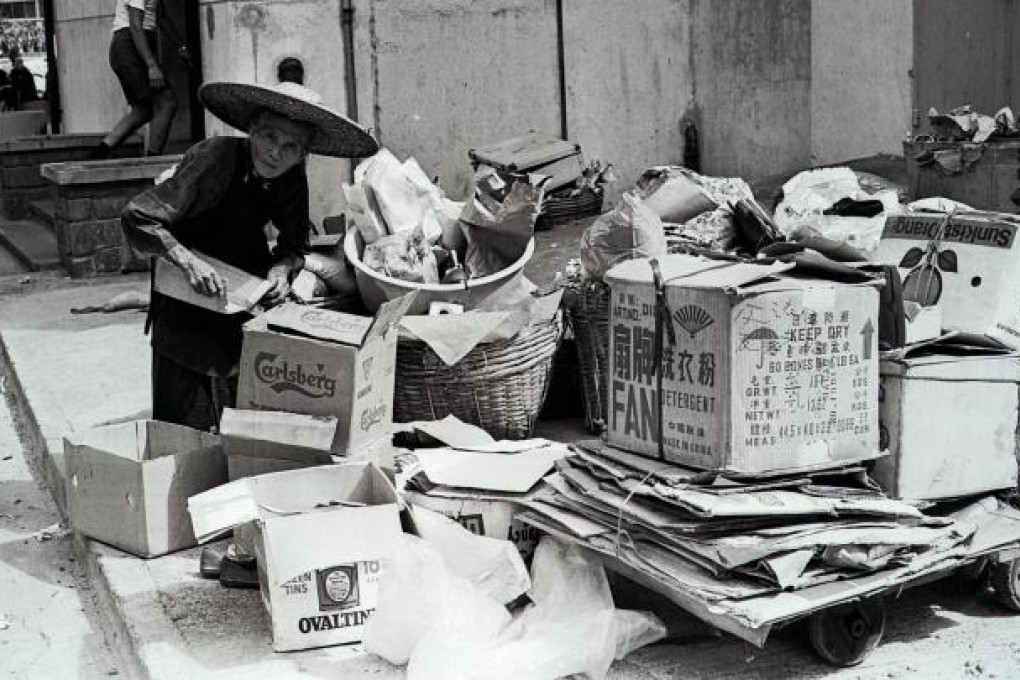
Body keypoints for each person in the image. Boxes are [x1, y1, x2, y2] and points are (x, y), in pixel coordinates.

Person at [120, 80, 378, 431]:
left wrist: (282, 269)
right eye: (270, 137)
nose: (276, 153)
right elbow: (138, 216)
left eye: (291, 147)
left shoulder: (292, 177)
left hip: (241, 287)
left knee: (241, 401)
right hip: (186, 279)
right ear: (253, 130)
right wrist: (187, 259)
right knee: (183, 414)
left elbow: (295, 242)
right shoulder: (214, 157)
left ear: (303, 154)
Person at [93, 0, 177, 158]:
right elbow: (135, 25)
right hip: (130, 45)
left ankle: (98, 154)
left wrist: (180, 46)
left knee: (143, 110)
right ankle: (153, 163)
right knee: (167, 103)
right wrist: (151, 65)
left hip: (133, 45)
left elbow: (161, 17)